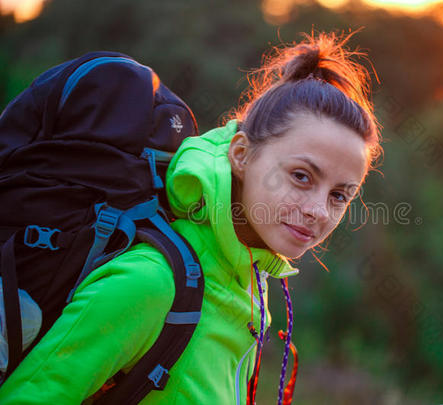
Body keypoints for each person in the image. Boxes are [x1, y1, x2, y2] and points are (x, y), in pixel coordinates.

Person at [0, 31, 382, 404]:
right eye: (301, 176)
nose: (318, 210)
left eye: (338, 196)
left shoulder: (247, 275)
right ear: (241, 155)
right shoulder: (153, 283)